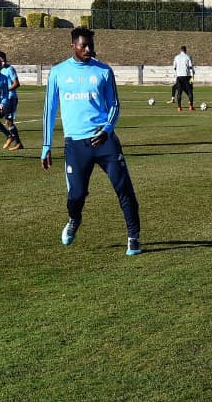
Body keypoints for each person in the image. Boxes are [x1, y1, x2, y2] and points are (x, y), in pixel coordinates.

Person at [42, 28, 143, 256]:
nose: (88, 50)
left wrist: (107, 129)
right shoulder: (58, 72)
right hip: (76, 145)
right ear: (73, 46)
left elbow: (115, 105)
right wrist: (46, 146)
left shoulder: (104, 71)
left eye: (90, 45)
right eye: (83, 46)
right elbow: (49, 109)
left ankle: (133, 237)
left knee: (123, 188)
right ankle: (74, 219)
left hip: (104, 141)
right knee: (76, 195)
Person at [0, 51, 25, 150]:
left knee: (8, 121)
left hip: (11, 98)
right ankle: (9, 136)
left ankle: (18, 143)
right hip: (1, 100)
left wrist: (6, 91)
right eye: (1, 62)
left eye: (4, 61)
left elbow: (17, 83)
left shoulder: (10, 69)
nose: (3, 63)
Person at [172, 46, 195, 111]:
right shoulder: (188, 57)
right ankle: (191, 106)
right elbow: (190, 67)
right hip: (187, 76)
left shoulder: (176, 57)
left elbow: (174, 67)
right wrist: (192, 77)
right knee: (190, 91)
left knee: (179, 92)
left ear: (180, 50)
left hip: (179, 77)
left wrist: (176, 75)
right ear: (186, 50)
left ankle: (179, 107)